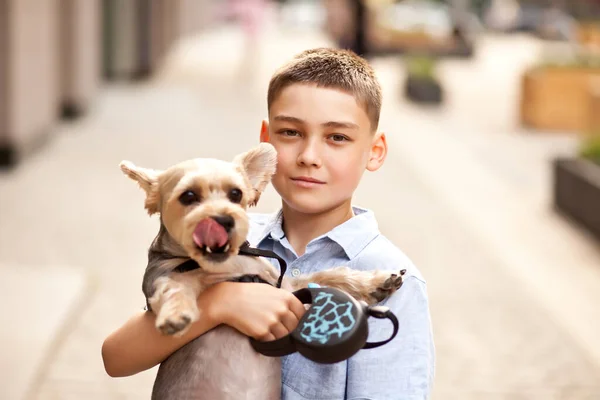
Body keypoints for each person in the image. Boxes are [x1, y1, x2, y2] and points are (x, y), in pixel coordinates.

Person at [102, 48, 435, 399]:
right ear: (267, 140)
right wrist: (219, 302)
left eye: (337, 137)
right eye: (291, 132)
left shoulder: (393, 280)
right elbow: (117, 358)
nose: (309, 157)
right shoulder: (223, 243)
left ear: (375, 151)